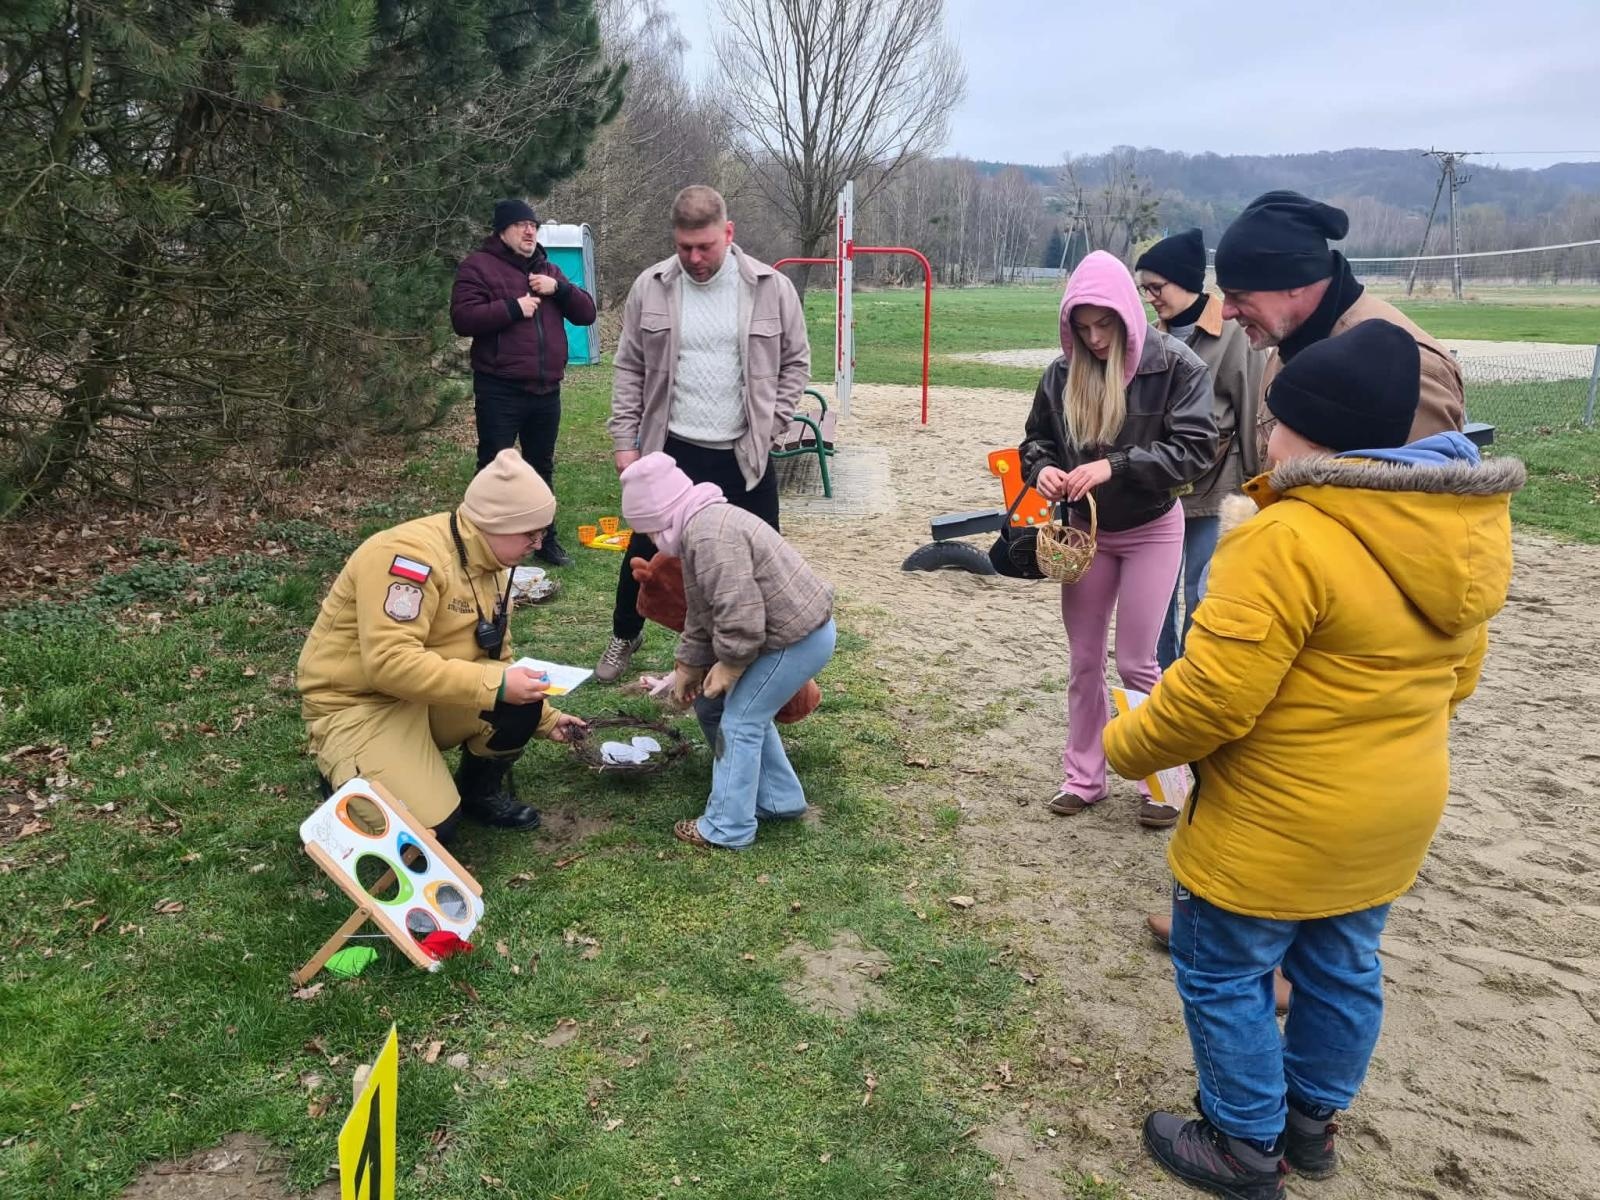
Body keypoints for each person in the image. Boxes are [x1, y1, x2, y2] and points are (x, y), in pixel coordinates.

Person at [1104, 320, 1521, 1199]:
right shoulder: (1457, 532)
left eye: (1274, 421)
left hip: (1275, 823)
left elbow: (1211, 701)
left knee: (1223, 970)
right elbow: (1459, 682)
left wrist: (1125, 743)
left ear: (1312, 436)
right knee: (1343, 966)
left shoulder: (1286, 537)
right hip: (1394, 813)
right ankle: (1310, 1124)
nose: (1264, 436)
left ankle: (1242, 1143)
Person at [1019, 251, 1217, 827]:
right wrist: (1043, 469)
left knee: (1137, 661)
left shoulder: (1177, 366)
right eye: (1082, 328)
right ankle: (1084, 777)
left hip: (1152, 527)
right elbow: (1036, 441)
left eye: (1105, 325)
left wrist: (1116, 465)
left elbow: (1196, 450)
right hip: (1085, 535)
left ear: (1128, 315)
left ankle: (1165, 782)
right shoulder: (1061, 373)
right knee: (1084, 661)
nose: (1095, 338)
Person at [296, 450, 588, 841]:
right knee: (429, 831)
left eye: (543, 533)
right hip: (361, 703)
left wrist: (545, 717)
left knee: (522, 700)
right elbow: (389, 664)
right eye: (530, 534)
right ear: (493, 524)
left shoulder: (494, 565)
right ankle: (347, 772)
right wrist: (498, 684)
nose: (538, 544)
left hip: (426, 695)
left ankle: (478, 793)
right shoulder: (407, 558)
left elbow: (497, 657)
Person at [597, 184, 810, 682]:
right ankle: (625, 634)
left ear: (728, 233)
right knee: (644, 551)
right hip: (670, 450)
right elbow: (629, 367)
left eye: (705, 247)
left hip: (743, 453)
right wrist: (626, 441)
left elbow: (796, 362)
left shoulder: (771, 288)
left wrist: (773, 425)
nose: (694, 258)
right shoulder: (650, 286)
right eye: (684, 247)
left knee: (762, 556)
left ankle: (765, 658)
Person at [619, 452, 835, 849]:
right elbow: (702, 608)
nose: (650, 541)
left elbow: (741, 614)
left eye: (648, 531)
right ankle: (779, 799)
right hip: (780, 636)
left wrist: (731, 666)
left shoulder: (710, 537)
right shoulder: (698, 528)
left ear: (662, 517)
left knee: (741, 723)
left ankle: (727, 828)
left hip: (796, 639)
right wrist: (688, 664)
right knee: (712, 707)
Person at [1214, 190, 1464, 453]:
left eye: (1239, 295)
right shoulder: (1286, 340)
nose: (1226, 312)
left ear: (1295, 282)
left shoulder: (1407, 370)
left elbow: (1420, 478)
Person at [1134, 229, 1266, 668]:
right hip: (1161, 486)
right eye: (1145, 289)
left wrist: (1256, 487)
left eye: (1157, 287)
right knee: (1156, 592)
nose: (1150, 297)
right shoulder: (1152, 336)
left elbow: (1251, 408)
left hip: (1217, 487)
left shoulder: (1233, 334)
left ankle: (1193, 678)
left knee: (1200, 590)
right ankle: (1159, 678)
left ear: (1186, 281)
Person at [450, 198, 598, 568]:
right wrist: (513, 308)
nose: (530, 231)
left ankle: (544, 540)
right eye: (521, 225)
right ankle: (479, 542)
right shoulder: (478, 267)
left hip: (546, 390)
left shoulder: (548, 269)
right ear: (502, 230)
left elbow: (587, 313)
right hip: (500, 387)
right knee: (493, 467)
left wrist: (558, 289)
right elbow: (463, 318)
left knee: (540, 467)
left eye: (533, 225)